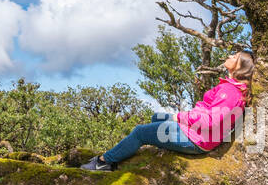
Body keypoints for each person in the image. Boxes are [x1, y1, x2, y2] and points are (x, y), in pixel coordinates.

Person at [81, 49, 255, 171]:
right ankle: (134, 149)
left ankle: (104, 163)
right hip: (198, 133)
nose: (230, 55)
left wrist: (179, 116)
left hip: (198, 139)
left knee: (140, 132)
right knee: (156, 117)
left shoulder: (231, 92)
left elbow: (212, 121)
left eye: (235, 56)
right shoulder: (231, 88)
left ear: (240, 66)